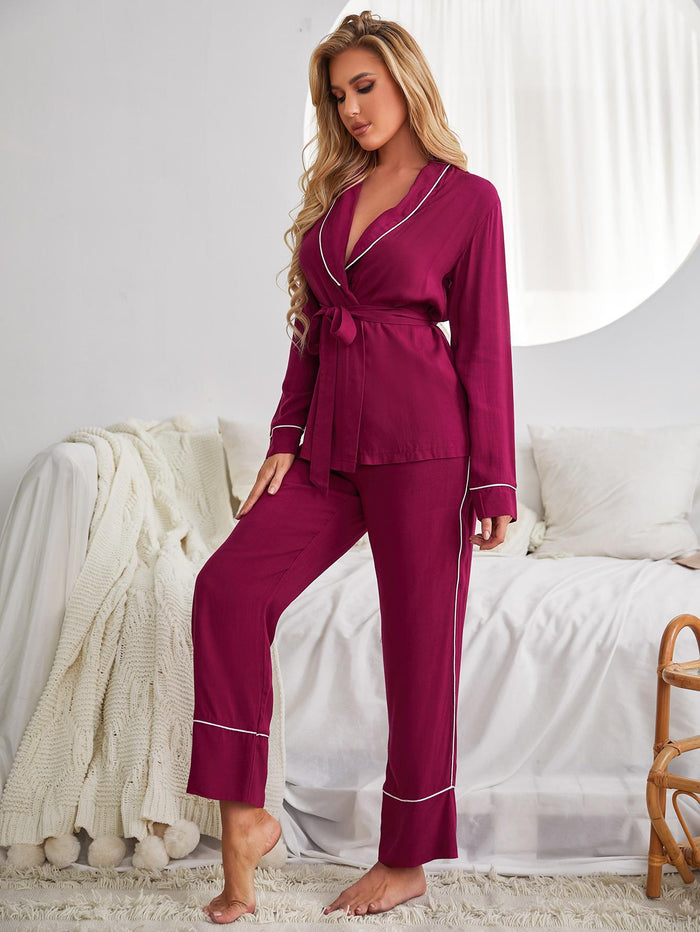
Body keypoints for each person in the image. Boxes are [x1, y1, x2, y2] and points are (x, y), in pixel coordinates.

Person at [186, 9, 517, 924]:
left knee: (419, 653)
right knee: (226, 589)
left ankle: (406, 860)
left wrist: (493, 478)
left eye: (364, 87)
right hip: (328, 446)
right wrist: (283, 437)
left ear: (405, 81)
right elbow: (310, 330)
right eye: (337, 96)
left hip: (426, 447)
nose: (352, 108)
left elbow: (484, 344)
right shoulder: (337, 197)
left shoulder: (468, 199)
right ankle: (246, 819)